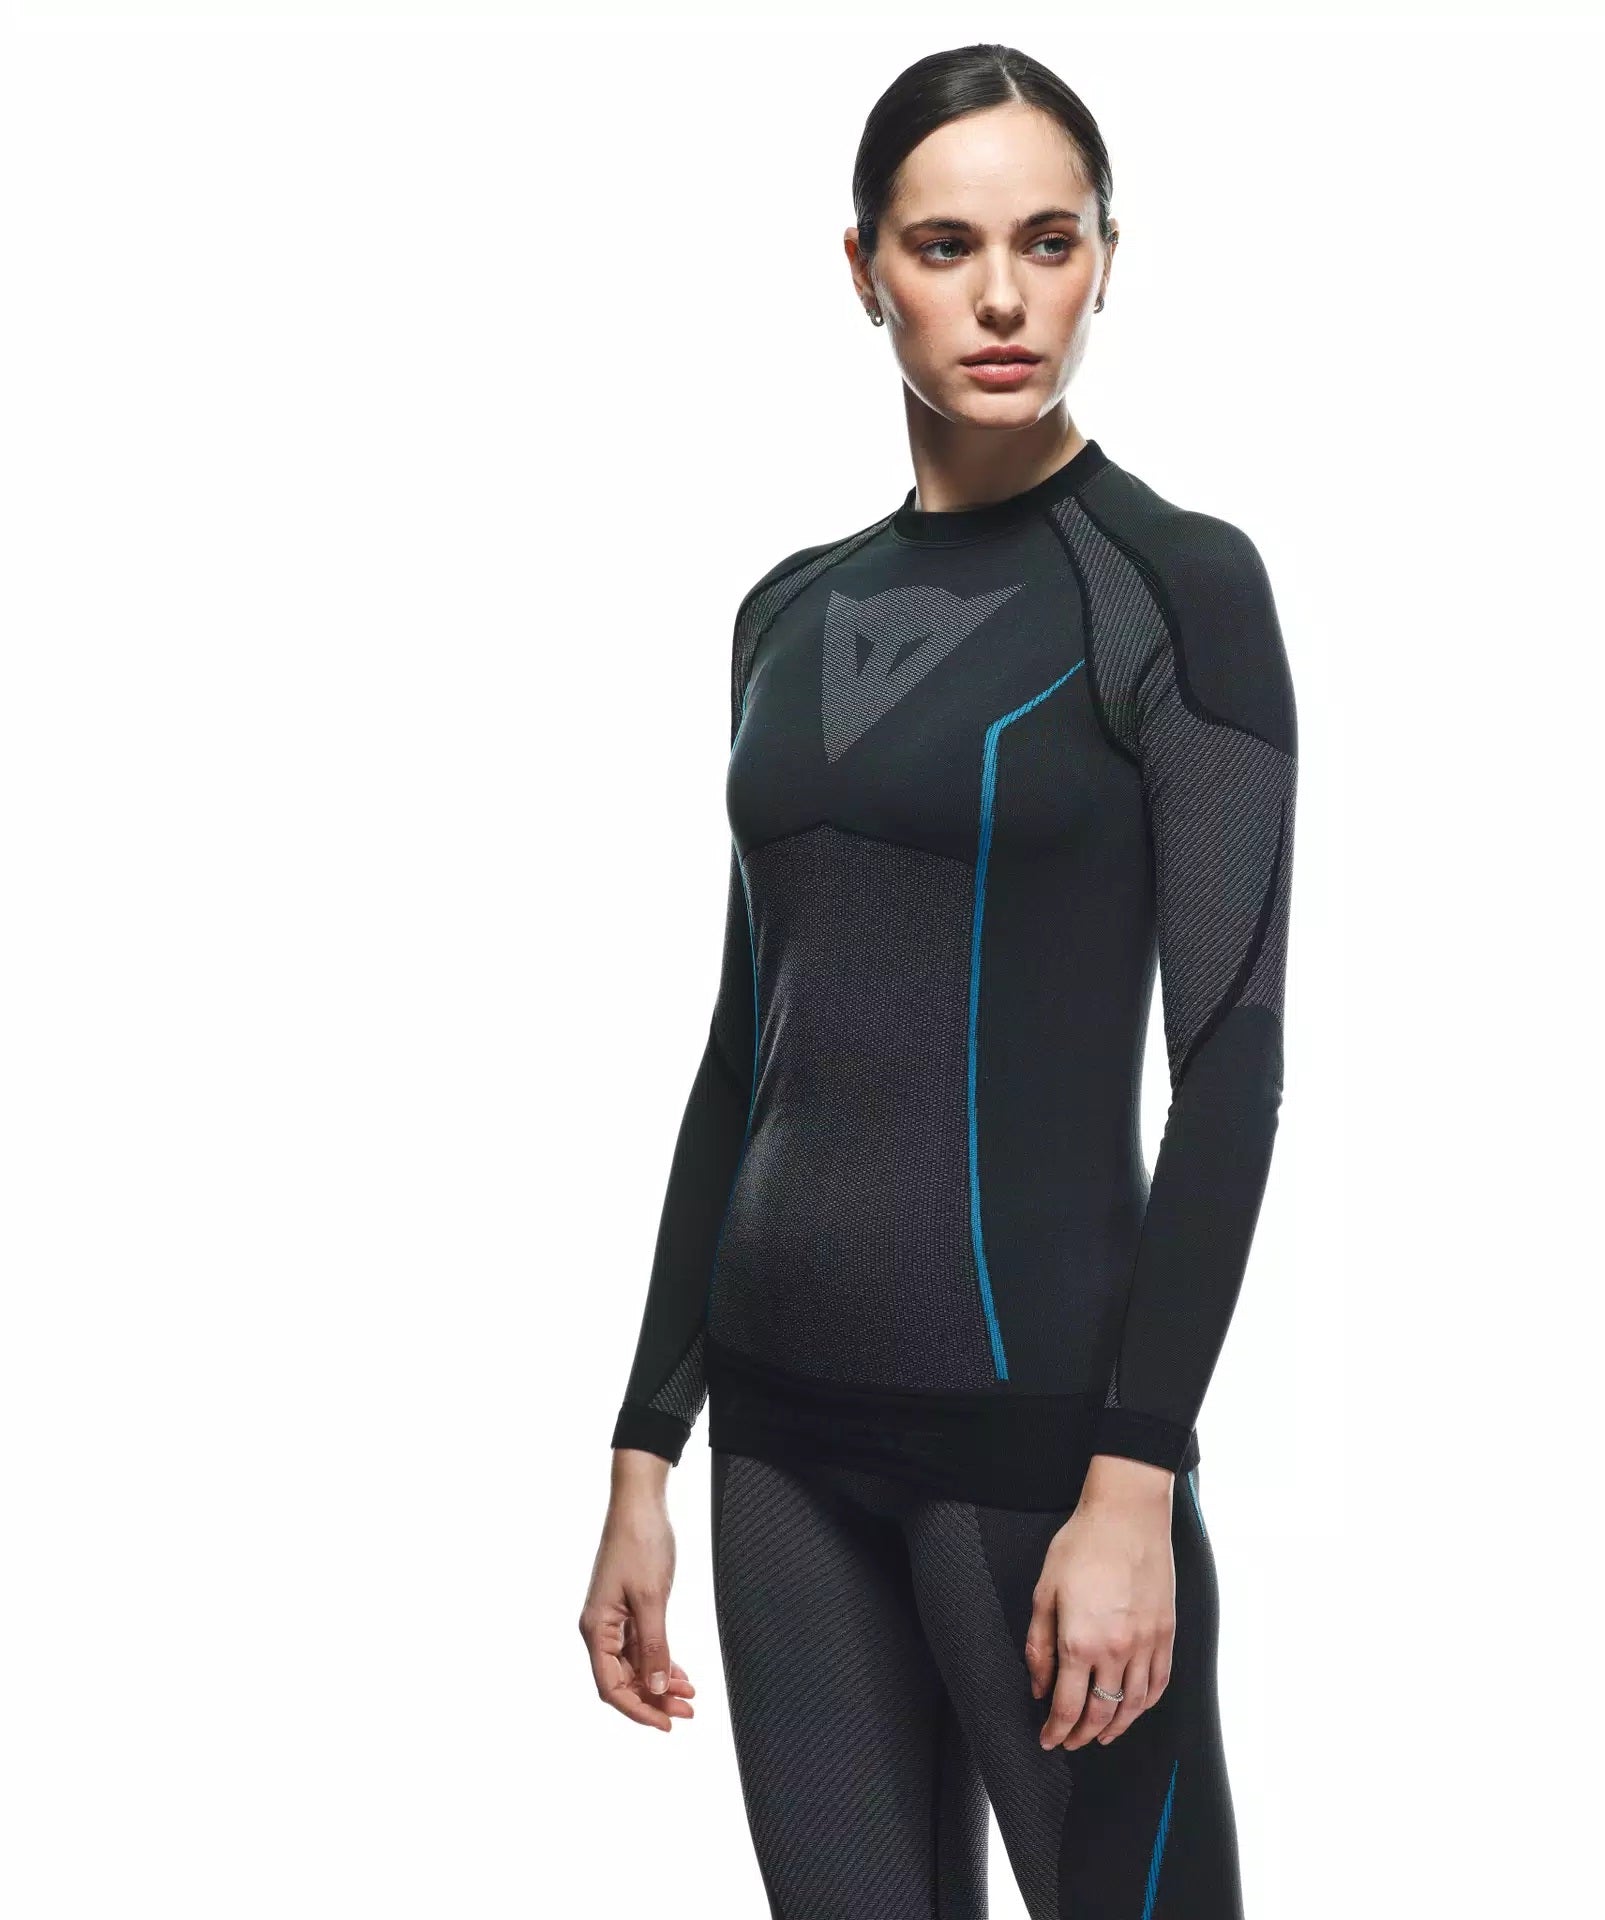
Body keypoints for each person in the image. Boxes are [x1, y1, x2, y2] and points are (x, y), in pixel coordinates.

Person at [580, 42, 1297, 1918]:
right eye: (945, 244)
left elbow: (1232, 1064)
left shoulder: (1172, 588)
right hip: (780, 1455)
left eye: (1049, 243)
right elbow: (748, 1046)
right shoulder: (785, 610)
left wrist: (1137, 1478)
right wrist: (649, 1445)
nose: (1001, 298)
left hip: (1039, 1458)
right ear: (863, 267)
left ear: (1107, 258)